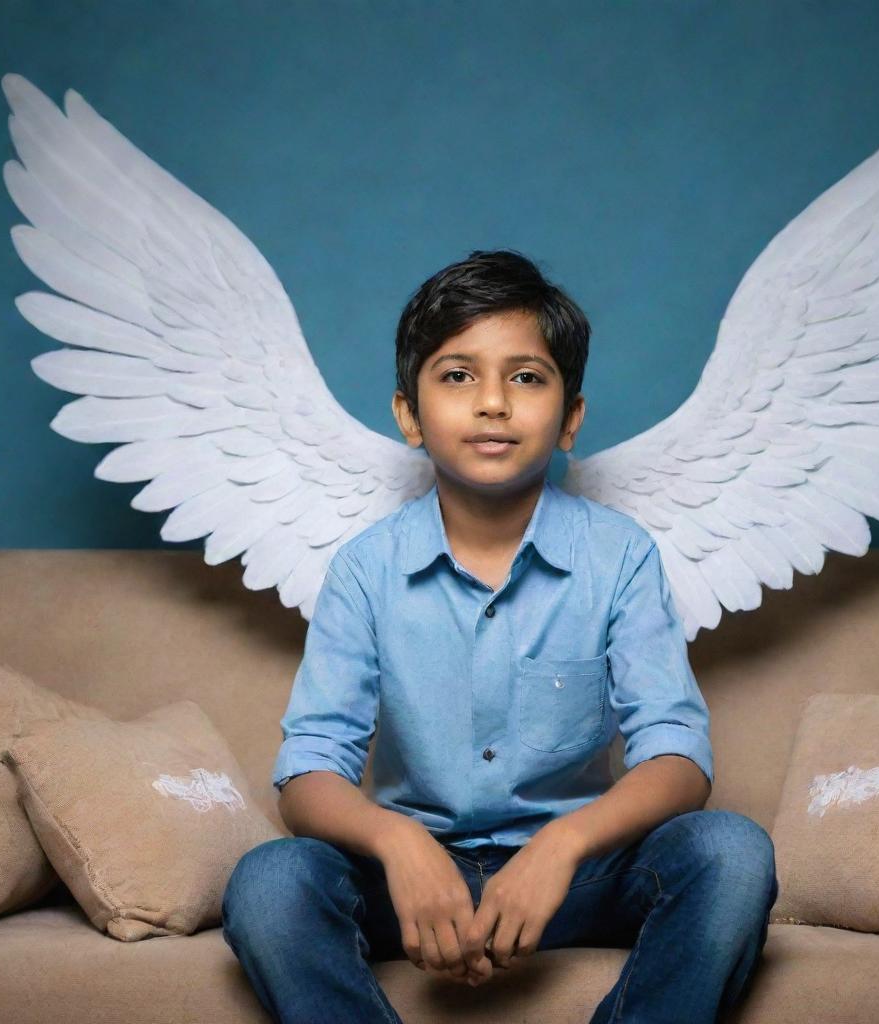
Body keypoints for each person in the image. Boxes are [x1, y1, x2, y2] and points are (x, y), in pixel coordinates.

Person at [221, 248, 778, 1023]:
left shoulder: (620, 557)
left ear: (571, 416)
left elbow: (679, 760)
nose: (492, 403)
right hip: (413, 884)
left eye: (526, 377)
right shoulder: (365, 569)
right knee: (269, 883)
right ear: (408, 416)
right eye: (457, 376)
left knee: (731, 853)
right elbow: (308, 770)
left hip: (575, 877)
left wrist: (562, 846)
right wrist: (398, 844)